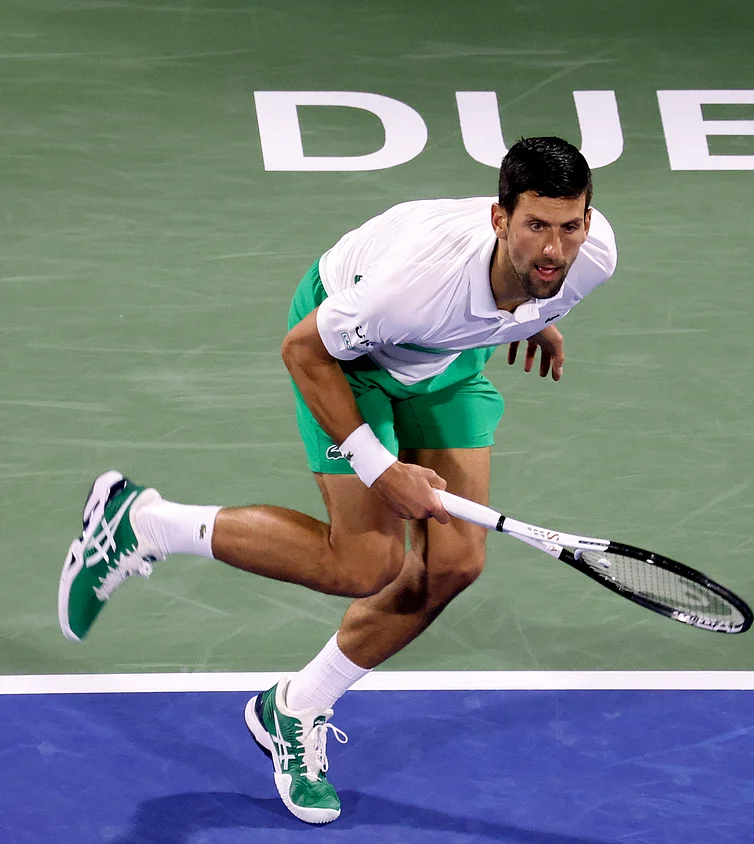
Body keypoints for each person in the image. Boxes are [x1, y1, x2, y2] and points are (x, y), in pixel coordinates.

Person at [58, 136, 617, 824]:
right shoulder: (415, 287)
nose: (555, 250)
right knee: (364, 564)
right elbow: (303, 351)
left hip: (444, 355)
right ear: (499, 219)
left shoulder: (589, 258)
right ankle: (144, 524)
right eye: (535, 227)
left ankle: (294, 707)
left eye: (570, 227)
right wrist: (381, 469)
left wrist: (533, 312)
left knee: (453, 564)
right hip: (346, 353)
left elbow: (545, 274)